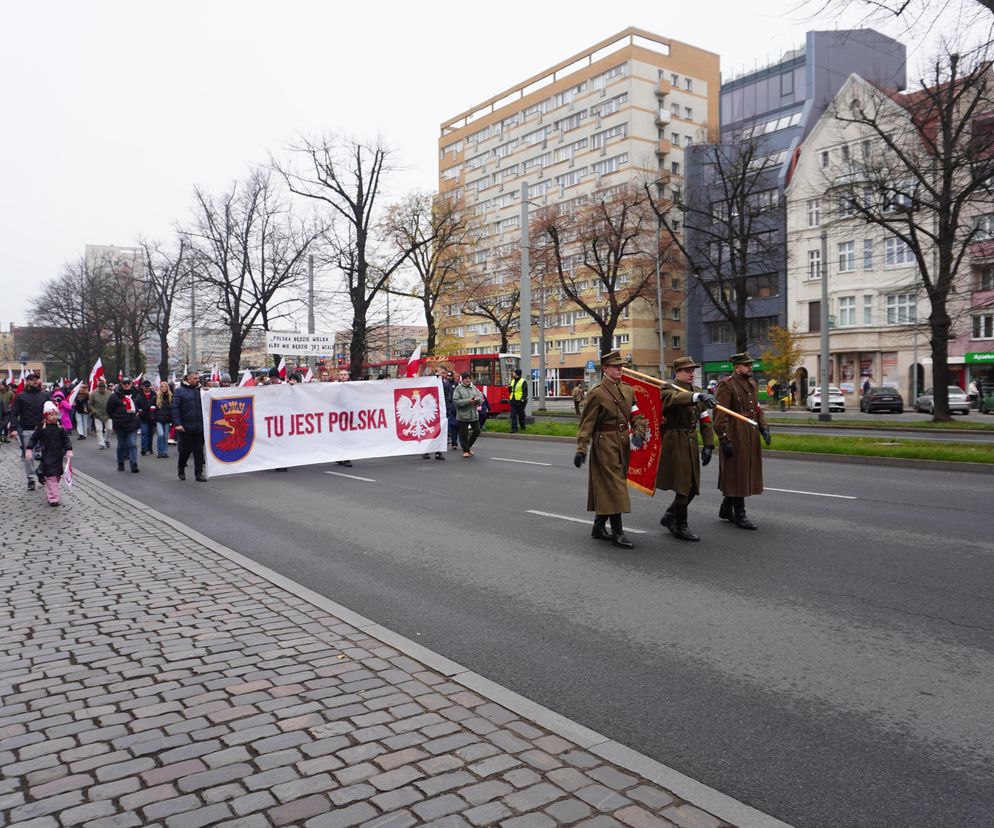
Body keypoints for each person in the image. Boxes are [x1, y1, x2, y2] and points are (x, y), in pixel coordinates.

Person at [574, 350, 647, 549]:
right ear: (605, 369)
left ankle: (598, 527)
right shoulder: (597, 393)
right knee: (616, 486)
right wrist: (582, 448)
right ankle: (617, 532)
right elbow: (586, 424)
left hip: (623, 443)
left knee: (612, 485)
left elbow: (637, 415)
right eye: (615, 366)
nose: (620, 369)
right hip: (605, 443)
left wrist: (639, 431)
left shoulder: (628, 390)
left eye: (621, 366)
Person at [656, 356, 716, 542]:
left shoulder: (697, 392)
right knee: (683, 485)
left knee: (692, 485)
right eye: (687, 370)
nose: (692, 374)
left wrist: (708, 444)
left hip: (690, 440)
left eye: (693, 370)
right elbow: (674, 399)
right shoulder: (667, 389)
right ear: (677, 372)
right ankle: (681, 526)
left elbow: (705, 419)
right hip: (675, 440)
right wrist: (696, 397)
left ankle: (669, 516)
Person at [714, 353, 770, 530]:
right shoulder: (727, 384)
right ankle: (740, 514)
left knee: (744, 471)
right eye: (746, 365)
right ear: (736, 367)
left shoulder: (752, 384)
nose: (750, 368)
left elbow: (757, 409)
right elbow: (720, 412)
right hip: (735, 432)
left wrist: (764, 427)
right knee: (737, 472)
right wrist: (724, 439)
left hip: (750, 432)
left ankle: (725, 508)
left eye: (750, 365)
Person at [9, 373, 51, 491]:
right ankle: (31, 478)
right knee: (29, 455)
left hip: (43, 429)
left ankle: (41, 471)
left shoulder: (45, 396)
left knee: (46, 454)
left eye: (37, 379)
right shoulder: (20, 396)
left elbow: (52, 411)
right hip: (27, 429)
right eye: (32, 380)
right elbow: (14, 413)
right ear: (27, 381)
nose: (35, 381)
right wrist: (13, 428)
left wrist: (56, 424)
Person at [26, 401, 73, 506]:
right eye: (52, 415)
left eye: (56, 414)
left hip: (58, 455)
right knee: (51, 476)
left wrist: (68, 450)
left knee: (57, 476)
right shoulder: (41, 427)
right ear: (46, 416)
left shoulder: (60, 428)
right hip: (46, 455)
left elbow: (66, 440)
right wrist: (29, 449)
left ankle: (50, 491)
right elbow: (33, 439)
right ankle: (54, 499)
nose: (54, 417)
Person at [172, 370, 206, 481]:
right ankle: (181, 468)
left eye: (198, 378)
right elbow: (175, 409)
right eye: (195, 378)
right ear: (188, 379)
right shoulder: (179, 391)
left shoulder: (201, 391)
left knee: (199, 451)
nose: (197, 380)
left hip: (199, 427)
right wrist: (178, 424)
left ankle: (199, 474)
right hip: (185, 427)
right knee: (185, 451)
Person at [106, 377, 145, 473]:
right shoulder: (114, 396)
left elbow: (142, 406)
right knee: (121, 445)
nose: (126, 384)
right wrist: (116, 419)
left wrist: (139, 414)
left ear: (131, 383)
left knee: (132, 444)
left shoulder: (137, 394)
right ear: (121, 384)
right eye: (124, 383)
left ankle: (134, 464)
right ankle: (120, 463)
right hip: (120, 424)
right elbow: (109, 410)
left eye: (128, 383)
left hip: (132, 423)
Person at [452, 372, 484, 457]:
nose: (468, 380)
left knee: (477, 430)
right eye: (466, 379)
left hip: (474, 414)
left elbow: (481, 397)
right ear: (463, 379)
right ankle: (466, 451)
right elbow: (456, 401)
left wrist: (478, 400)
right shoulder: (458, 389)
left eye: (469, 378)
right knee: (464, 434)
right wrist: (468, 401)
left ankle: (467, 447)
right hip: (463, 415)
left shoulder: (474, 388)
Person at [89, 378, 113, 449]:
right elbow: (90, 404)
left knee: (109, 428)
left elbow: (113, 402)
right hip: (97, 414)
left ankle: (106, 440)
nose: (102, 390)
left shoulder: (110, 393)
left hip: (108, 414)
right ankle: (101, 444)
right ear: (98, 388)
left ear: (106, 388)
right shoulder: (93, 394)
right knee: (99, 430)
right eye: (101, 388)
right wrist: (94, 411)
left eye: (104, 388)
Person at [154, 381, 173, 458]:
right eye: (162, 387)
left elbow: (172, 409)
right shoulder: (156, 397)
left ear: (167, 388)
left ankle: (164, 452)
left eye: (165, 387)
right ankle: (159, 452)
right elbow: (152, 408)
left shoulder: (171, 397)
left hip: (167, 419)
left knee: (165, 436)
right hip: (158, 419)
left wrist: (172, 419)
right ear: (160, 388)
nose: (164, 388)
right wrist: (154, 418)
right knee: (160, 435)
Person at [138, 379, 156, 456]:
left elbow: (157, 404)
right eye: (146, 387)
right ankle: (143, 448)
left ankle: (150, 447)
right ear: (142, 387)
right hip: (143, 417)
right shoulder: (139, 395)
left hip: (152, 417)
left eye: (148, 386)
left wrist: (154, 409)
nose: (147, 388)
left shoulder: (154, 394)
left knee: (150, 434)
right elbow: (137, 404)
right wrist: (139, 411)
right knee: (144, 433)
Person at [508, 368, 528, 433]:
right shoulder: (512, 381)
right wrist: (509, 389)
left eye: (514, 372)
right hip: (513, 400)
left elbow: (525, 392)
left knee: (521, 415)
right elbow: (510, 391)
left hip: (520, 401)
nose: (512, 373)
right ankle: (514, 429)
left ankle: (523, 427)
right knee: (513, 415)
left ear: (517, 374)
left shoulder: (523, 381)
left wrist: (522, 400)